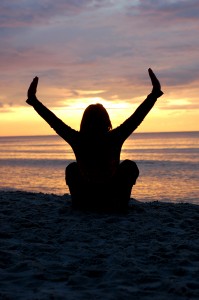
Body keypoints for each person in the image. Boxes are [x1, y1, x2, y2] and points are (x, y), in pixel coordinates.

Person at [26, 68, 163, 212]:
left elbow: (53, 121)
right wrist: (154, 94)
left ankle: (81, 204)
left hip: (86, 199)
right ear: (107, 121)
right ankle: (121, 204)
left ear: (84, 122)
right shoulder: (115, 137)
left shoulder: (77, 139)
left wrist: (34, 101)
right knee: (129, 166)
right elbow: (137, 117)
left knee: (72, 168)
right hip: (111, 199)